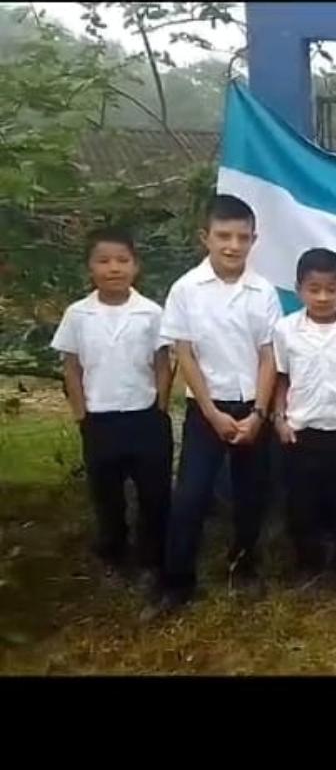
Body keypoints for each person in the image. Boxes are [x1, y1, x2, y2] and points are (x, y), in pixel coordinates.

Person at [146, 194, 282, 620]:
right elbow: (184, 354)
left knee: (251, 494)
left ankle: (244, 563)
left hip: (252, 407)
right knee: (190, 496)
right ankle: (176, 581)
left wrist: (259, 413)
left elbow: (269, 356)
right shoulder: (185, 290)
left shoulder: (263, 292)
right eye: (224, 236)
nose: (233, 245)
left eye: (243, 237)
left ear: (254, 239)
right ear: (205, 237)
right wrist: (211, 411)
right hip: (207, 408)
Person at [51, 227, 173, 592]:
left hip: (145, 416)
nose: (113, 268)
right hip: (100, 419)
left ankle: (152, 559)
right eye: (103, 261)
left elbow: (163, 363)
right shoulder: (78, 314)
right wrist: (80, 414)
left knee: (154, 494)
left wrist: (161, 407)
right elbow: (71, 366)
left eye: (122, 260)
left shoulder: (151, 313)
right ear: (90, 267)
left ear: (136, 266)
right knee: (107, 495)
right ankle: (112, 554)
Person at [272, 248, 336, 601]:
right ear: (299, 289)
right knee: (302, 503)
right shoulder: (285, 330)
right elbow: (281, 378)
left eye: (331, 289)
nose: (322, 297)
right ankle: (308, 565)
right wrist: (280, 418)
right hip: (302, 431)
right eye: (314, 289)